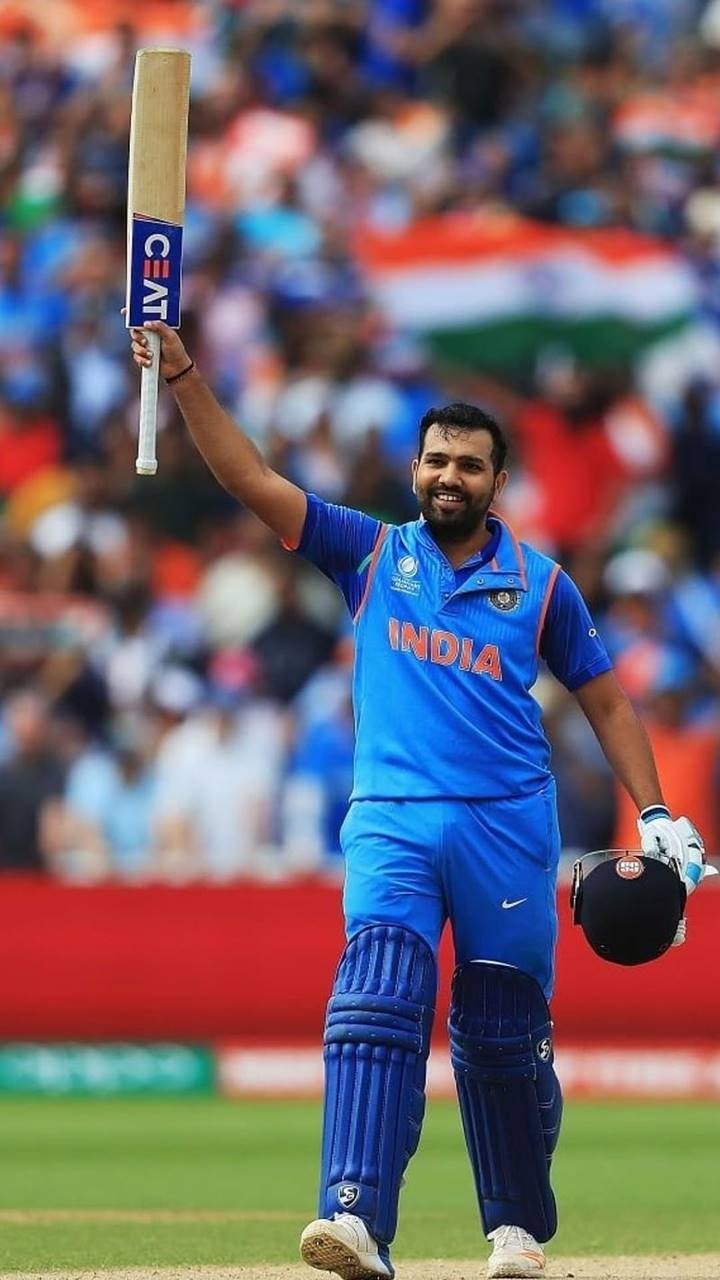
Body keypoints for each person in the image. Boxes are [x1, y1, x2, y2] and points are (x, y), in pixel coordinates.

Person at [129, 319, 706, 1280]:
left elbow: (606, 699)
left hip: (507, 825)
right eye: (437, 459)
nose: (450, 476)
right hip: (393, 818)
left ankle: (515, 1231)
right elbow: (250, 478)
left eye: (470, 465)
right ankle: (355, 1219)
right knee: (377, 998)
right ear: (415, 467)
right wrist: (183, 372)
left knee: (501, 1032)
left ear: (497, 482)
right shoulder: (367, 552)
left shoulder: (542, 584)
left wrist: (653, 814)